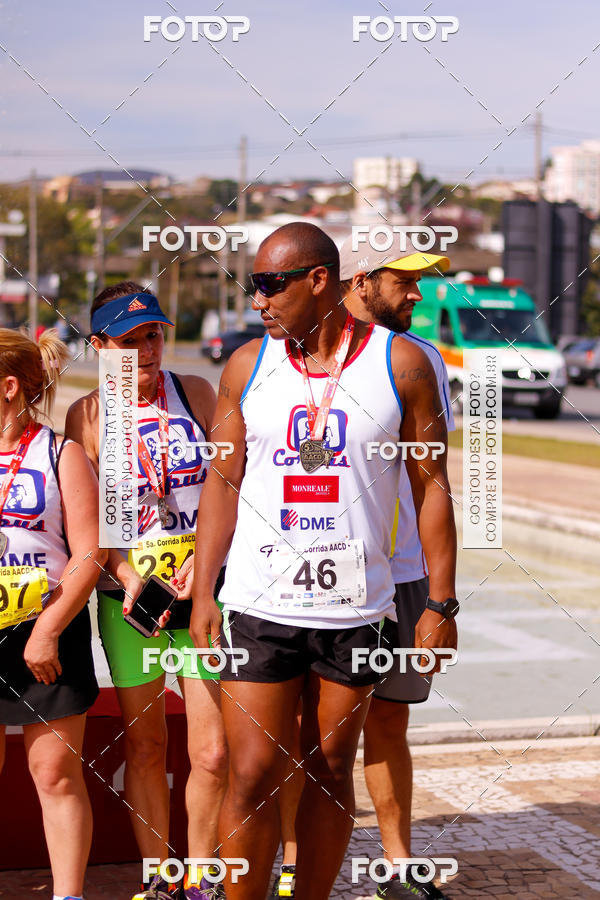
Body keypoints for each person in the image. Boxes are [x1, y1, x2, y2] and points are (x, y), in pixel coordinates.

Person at [190, 222, 458, 900]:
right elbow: (222, 483)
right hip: (258, 605)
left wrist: (440, 603)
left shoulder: (403, 365)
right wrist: (203, 595)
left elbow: (432, 486)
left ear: (319, 281)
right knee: (250, 773)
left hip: (357, 609)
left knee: (331, 768)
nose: (259, 301)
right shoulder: (247, 366)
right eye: (254, 286)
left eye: (271, 285)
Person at [65, 283, 227, 900]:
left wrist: (207, 568)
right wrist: (129, 575)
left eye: (154, 335)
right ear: (101, 347)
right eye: (130, 342)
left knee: (211, 751)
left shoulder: (197, 393)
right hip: (128, 600)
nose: (148, 350)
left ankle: (204, 876)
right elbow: (85, 517)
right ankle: (159, 878)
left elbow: (227, 488)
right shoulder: (87, 415)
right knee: (147, 741)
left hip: (201, 593)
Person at [340, 232, 456, 900]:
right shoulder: (294, 359)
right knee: (309, 732)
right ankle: (296, 865)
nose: (416, 293)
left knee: (390, 720)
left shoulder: (423, 361)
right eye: (402, 281)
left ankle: (397, 865)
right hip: (318, 580)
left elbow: (434, 477)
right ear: (358, 282)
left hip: (404, 575)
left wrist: (443, 598)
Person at [0, 328, 105, 900]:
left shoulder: (58, 453)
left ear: (10, 388)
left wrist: (45, 632)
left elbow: (90, 552)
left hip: (48, 633)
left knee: (56, 775)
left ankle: (69, 896)